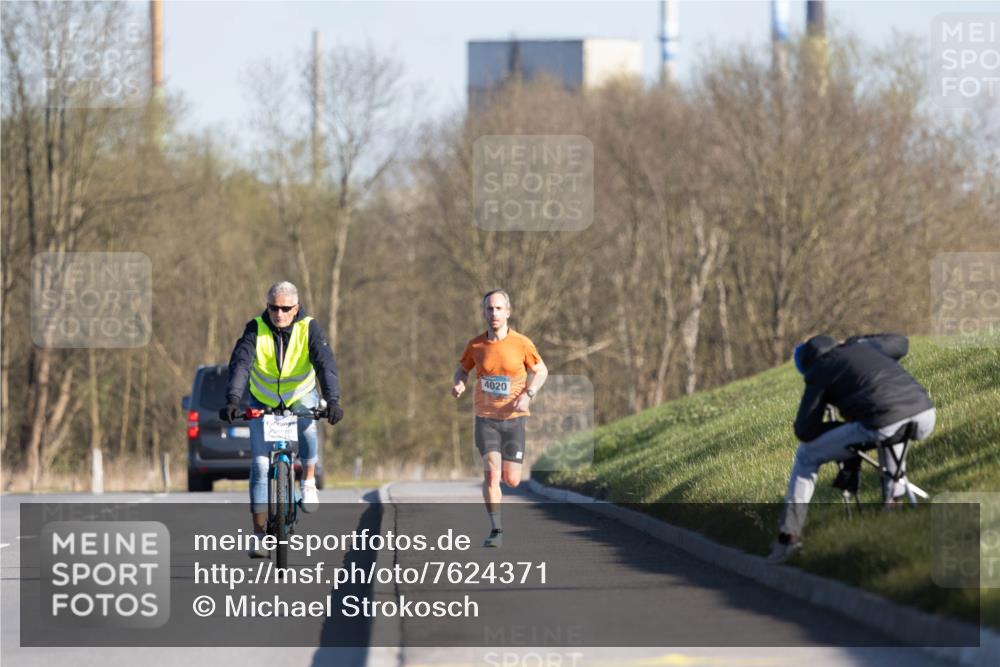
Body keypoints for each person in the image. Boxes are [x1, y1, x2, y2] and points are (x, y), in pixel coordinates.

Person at [768, 333, 935, 563]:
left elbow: (804, 431)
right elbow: (901, 342)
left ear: (809, 363)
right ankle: (893, 506)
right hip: (926, 414)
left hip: (885, 422)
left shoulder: (819, 370)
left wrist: (838, 426)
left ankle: (788, 537)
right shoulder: (864, 346)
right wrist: (860, 340)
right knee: (886, 429)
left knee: (806, 455)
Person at [221, 281, 344, 558]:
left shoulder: (308, 327)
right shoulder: (255, 328)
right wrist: (232, 399)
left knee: (310, 428)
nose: (279, 314)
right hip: (262, 399)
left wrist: (333, 400)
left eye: (285, 309)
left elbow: (325, 363)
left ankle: (309, 480)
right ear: (268, 306)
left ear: (296, 308)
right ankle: (259, 535)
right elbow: (241, 363)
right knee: (260, 463)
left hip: (299, 395)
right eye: (274, 308)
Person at [452, 290, 548, 548]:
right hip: (486, 420)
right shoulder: (476, 346)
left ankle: (501, 513)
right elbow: (462, 368)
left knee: (512, 480)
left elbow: (541, 371)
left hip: (514, 419)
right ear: (484, 313)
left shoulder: (522, 344)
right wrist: (459, 383)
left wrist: (528, 394)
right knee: (492, 476)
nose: (493, 314)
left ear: (508, 312)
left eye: (498, 309)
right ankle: (496, 529)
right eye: (489, 309)